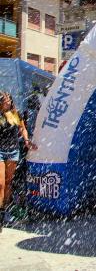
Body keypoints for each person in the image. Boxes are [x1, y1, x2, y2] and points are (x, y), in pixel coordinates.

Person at [0, 91, 37, 232]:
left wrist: (27, 141)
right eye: (5, 100)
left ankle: (4, 211)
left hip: (13, 151)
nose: (8, 101)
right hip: (0, 151)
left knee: (9, 183)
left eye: (9, 99)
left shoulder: (16, 114)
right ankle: (1, 211)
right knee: (1, 183)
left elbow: (22, 128)